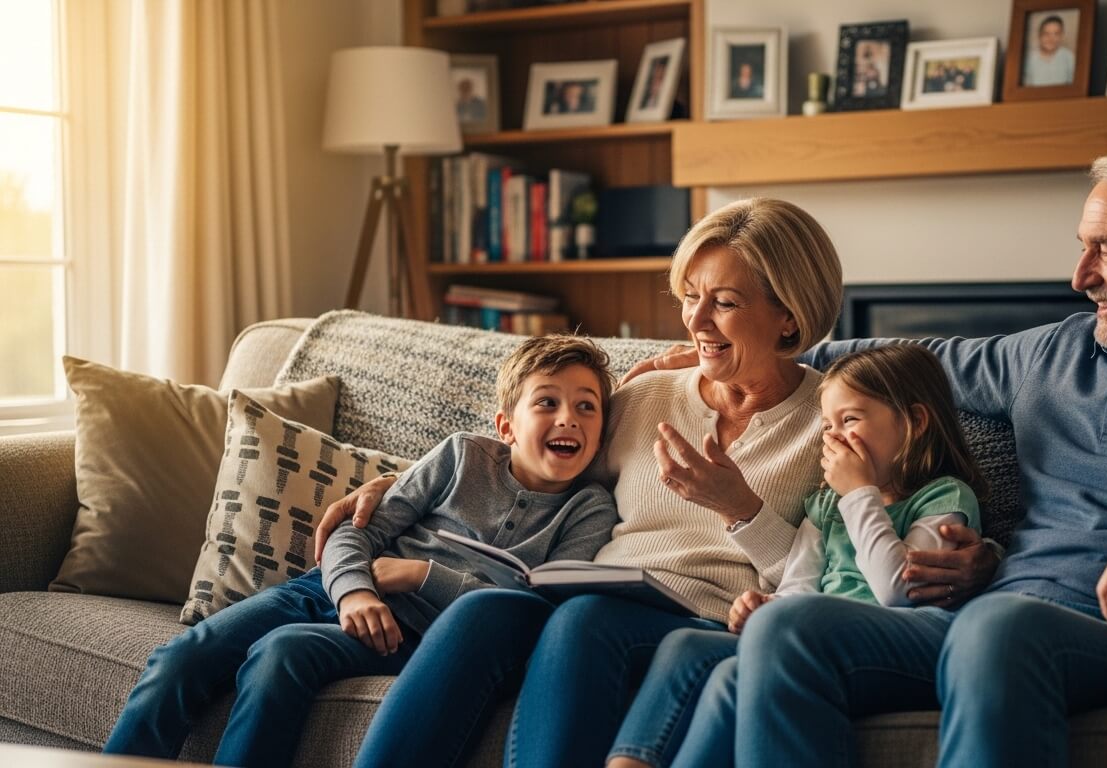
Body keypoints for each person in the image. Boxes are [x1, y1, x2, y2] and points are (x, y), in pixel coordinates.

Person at [634, 142, 1107, 767]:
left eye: (1106, 250)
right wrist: (725, 349)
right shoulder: (1049, 354)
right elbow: (906, 354)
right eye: (1083, 249)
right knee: (783, 631)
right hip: (976, 618)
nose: (1080, 278)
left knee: (999, 627)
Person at [316, 198, 993, 768]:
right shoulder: (644, 396)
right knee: (481, 610)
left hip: (707, 618)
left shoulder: (833, 418)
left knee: (587, 620)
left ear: (788, 314)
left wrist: (983, 557)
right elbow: (526, 448)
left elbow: (872, 523)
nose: (696, 323)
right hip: (582, 591)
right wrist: (396, 478)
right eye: (690, 299)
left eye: (723, 303)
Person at [102, 335, 620, 767]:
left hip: (411, 634)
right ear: (506, 426)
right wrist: (352, 591)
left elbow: (533, 604)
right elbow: (357, 530)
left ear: (602, 432)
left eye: (586, 407)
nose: (568, 419)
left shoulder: (589, 509)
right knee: (182, 657)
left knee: (281, 653)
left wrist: (420, 574)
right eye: (547, 402)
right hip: (327, 589)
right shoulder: (463, 455)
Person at [604, 344, 989, 768]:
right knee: (689, 646)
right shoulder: (827, 506)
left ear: (914, 422)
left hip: (894, 640)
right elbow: (798, 585)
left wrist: (860, 495)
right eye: (828, 426)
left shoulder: (943, 497)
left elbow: (897, 589)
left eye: (851, 420)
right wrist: (765, 608)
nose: (835, 436)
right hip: (806, 638)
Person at [1023, 15, 1076, 87]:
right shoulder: (1029, 59)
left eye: (1056, 34)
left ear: (1062, 36)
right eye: (1046, 34)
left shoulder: (1069, 57)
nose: (1051, 38)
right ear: (1039, 35)